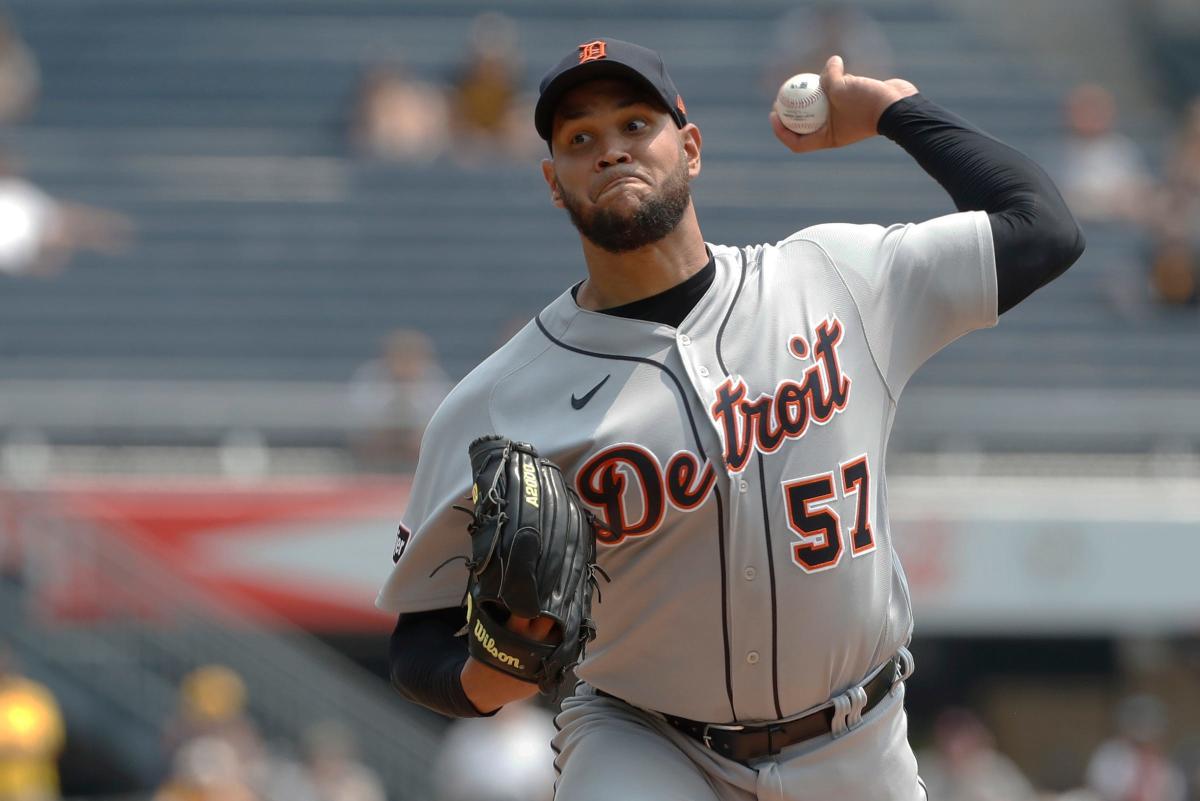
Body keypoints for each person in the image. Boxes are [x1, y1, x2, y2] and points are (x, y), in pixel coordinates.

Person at [378, 38, 1084, 801]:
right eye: (580, 139)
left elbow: (1044, 229)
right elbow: (418, 635)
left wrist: (891, 112)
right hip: (645, 738)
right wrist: (487, 676)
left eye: (636, 125)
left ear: (691, 148)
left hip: (859, 739)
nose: (611, 150)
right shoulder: (497, 399)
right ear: (555, 183)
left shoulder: (834, 279)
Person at [917, 708, 1039, 801]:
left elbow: (1025, 796)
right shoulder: (923, 768)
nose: (954, 746)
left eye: (962, 736)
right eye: (951, 736)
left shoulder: (998, 768)